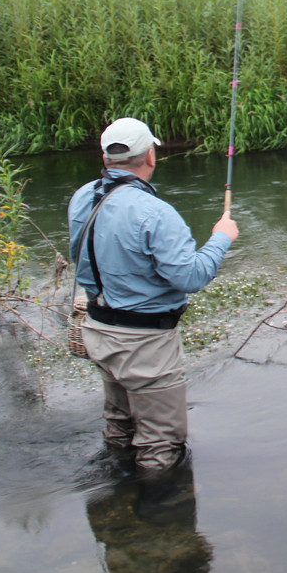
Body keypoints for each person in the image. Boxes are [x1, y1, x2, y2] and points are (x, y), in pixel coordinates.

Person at [69, 117, 238, 473]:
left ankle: (115, 508)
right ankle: (162, 520)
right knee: (161, 447)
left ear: (106, 158)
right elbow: (190, 277)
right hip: (145, 345)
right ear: (149, 156)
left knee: (119, 426)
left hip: (98, 331)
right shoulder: (155, 213)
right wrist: (222, 236)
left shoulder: (83, 197)